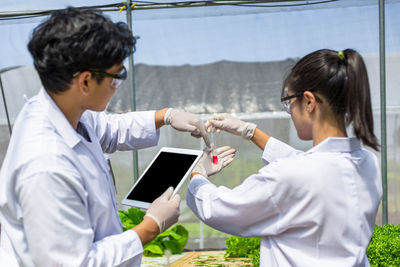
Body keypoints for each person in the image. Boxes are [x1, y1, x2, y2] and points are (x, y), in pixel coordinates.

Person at [0, 7, 212, 266]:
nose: (117, 85)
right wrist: (151, 226)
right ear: (86, 82)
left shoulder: (65, 109)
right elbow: (76, 263)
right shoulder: (45, 166)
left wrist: (165, 116)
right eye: (117, 77)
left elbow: (109, 129)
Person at [187, 49, 382, 266]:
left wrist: (198, 174)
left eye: (289, 102)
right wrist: (249, 131)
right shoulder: (367, 163)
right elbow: (311, 166)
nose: (289, 112)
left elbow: (224, 209)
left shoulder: (291, 176)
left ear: (308, 102)